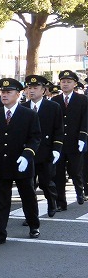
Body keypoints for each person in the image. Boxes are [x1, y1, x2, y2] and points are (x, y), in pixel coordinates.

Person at [0, 78, 41, 245]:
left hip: (22, 163)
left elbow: (35, 138)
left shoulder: (29, 114)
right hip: (2, 164)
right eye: (3, 92)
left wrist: (27, 155)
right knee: (2, 200)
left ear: (18, 94)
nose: (4, 95)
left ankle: (33, 225)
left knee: (27, 196)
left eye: (9, 92)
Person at [23, 75, 63, 219]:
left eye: (35, 88)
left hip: (45, 152)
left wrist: (56, 149)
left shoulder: (53, 107)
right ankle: (31, 215)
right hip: (28, 153)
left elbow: (58, 130)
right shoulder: (23, 107)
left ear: (44, 90)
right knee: (28, 186)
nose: (31, 91)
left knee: (46, 183)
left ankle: (52, 202)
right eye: (29, 88)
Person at [51, 70, 87, 210]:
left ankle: (79, 191)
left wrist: (83, 137)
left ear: (75, 84)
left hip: (75, 141)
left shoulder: (82, 100)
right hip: (59, 143)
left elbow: (85, 120)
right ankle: (61, 202)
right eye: (63, 81)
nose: (65, 84)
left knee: (75, 170)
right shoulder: (55, 101)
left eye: (68, 81)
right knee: (58, 174)